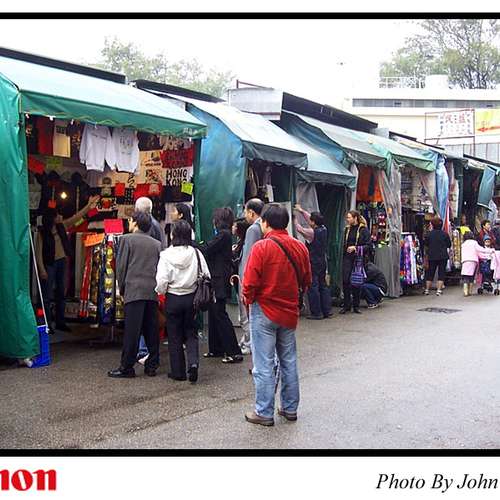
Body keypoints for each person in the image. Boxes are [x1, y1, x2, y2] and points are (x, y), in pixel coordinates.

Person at [242, 204, 312, 426]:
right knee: (288, 361)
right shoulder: (300, 247)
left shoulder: (261, 247)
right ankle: (290, 408)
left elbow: (249, 283)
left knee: (264, 363)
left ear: (265, 223)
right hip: (289, 311)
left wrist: (248, 300)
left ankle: (264, 411)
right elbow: (307, 280)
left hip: (264, 310)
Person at [155, 220, 210, 383]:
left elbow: (161, 281)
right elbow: (206, 274)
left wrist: (161, 291)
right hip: (192, 298)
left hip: (173, 298)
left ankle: (178, 372)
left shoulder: (166, 255)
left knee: (174, 335)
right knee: (191, 332)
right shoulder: (196, 253)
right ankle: (193, 363)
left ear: (173, 235)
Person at [36, 195, 100, 332]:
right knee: (46, 296)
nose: (60, 216)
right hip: (49, 264)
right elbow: (38, 253)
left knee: (61, 293)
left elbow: (77, 217)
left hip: (62, 262)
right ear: (52, 218)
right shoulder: (42, 233)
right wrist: (42, 269)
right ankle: (47, 324)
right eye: (58, 215)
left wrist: (89, 205)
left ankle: (60, 322)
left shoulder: (62, 226)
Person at [108, 211, 161, 378]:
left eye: (130, 220)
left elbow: (121, 267)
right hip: (151, 290)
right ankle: (152, 365)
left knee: (132, 331)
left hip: (134, 290)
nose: (128, 223)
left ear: (135, 222)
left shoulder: (126, 240)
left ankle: (127, 367)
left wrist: (122, 288)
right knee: (151, 329)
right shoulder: (157, 244)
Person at [200, 207, 243, 364]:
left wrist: (192, 243)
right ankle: (216, 348)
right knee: (214, 313)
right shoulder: (224, 235)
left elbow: (207, 248)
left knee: (220, 314)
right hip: (218, 279)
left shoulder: (223, 235)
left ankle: (234, 352)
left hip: (219, 280)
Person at [135, 196, 166, 363]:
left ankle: (144, 350)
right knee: (149, 313)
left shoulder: (148, 227)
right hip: (153, 273)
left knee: (145, 313)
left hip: (146, 274)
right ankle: (146, 349)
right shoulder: (157, 225)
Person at [237, 198, 265, 354]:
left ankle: (249, 343)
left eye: (246, 211)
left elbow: (249, 258)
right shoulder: (263, 226)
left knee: (247, 314)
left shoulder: (253, 229)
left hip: (249, 279)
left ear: (251, 212)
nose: (244, 214)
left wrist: (244, 283)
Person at [294, 205, 332, 320]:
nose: (309, 221)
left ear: (314, 222)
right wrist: (301, 211)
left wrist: (294, 219)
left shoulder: (312, 233)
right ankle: (327, 310)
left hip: (313, 262)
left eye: (311, 220)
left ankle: (316, 313)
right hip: (322, 261)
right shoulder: (324, 229)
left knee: (313, 287)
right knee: (323, 286)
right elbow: (311, 220)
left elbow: (300, 229)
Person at [340, 210, 371, 314]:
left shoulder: (363, 230)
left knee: (356, 282)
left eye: (349, 217)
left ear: (355, 218)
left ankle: (356, 305)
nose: (347, 219)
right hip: (347, 257)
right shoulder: (347, 229)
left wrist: (356, 248)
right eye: (347, 217)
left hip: (358, 259)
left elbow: (368, 246)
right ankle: (346, 305)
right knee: (345, 280)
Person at [423, 217, 451, 296]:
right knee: (441, 273)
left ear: (432, 225)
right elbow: (449, 245)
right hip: (443, 256)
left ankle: (427, 290)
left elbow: (426, 244)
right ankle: (439, 290)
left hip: (432, 255)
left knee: (430, 273)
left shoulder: (429, 234)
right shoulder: (445, 234)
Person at [460, 231, 494, 296]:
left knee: (465, 276)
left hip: (465, 260)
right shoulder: (474, 243)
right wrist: (490, 250)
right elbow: (481, 249)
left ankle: (465, 291)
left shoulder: (463, 244)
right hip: (473, 260)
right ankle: (470, 291)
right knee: (471, 276)